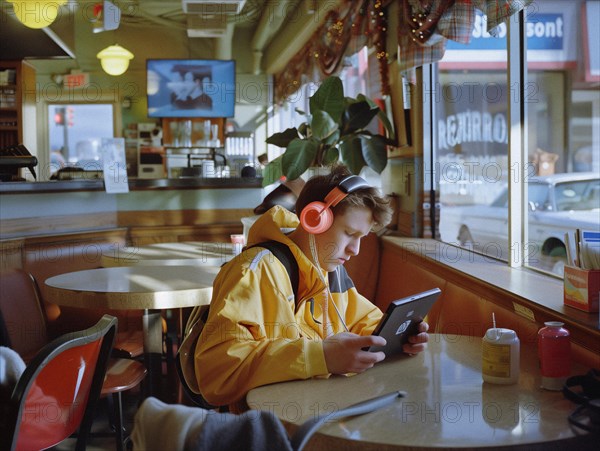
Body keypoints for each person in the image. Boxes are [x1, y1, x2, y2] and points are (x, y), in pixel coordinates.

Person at [192, 165, 429, 410]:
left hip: (323, 412)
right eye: (349, 233)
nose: (355, 250)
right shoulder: (254, 272)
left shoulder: (331, 272)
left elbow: (366, 323)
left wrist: (399, 337)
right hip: (272, 427)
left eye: (362, 237)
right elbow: (216, 372)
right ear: (314, 220)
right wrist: (321, 357)